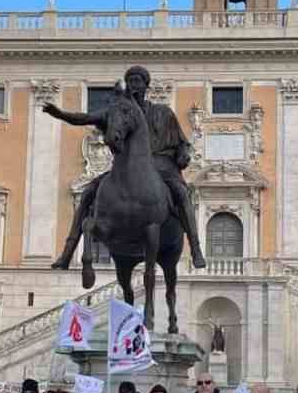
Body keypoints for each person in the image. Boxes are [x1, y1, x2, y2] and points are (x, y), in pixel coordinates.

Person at [43, 64, 206, 270]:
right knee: (88, 193)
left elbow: (183, 142)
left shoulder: (162, 112)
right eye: (130, 81)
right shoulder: (118, 112)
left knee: (182, 194)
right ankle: (67, 254)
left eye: (138, 81)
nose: (134, 85)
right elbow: (85, 118)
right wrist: (60, 114)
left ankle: (196, 248)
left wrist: (183, 154)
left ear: (146, 86)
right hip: (128, 168)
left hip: (162, 168)